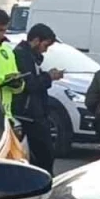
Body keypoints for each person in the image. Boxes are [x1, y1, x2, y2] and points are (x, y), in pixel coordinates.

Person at [12, 24, 65, 174]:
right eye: (45, 45)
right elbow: (30, 84)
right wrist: (49, 76)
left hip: (35, 113)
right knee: (43, 154)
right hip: (29, 114)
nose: (45, 50)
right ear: (36, 40)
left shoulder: (30, 56)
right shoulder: (22, 56)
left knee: (43, 155)